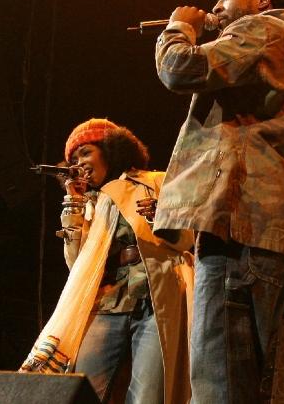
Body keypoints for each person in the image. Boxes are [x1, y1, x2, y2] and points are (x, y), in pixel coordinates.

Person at [154, 0, 284, 403]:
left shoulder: (261, 30)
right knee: (240, 387)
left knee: (218, 388)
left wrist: (178, 28)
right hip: (266, 229)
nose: (215, 6)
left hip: (237, 226)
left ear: (262, 1)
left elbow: (181, 69)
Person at [21, 118, 194, 404]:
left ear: (111, 150)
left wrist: (161, 218)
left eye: (86, 152)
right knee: (84, 389)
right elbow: (77, 267)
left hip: (154, 297)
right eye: (74, 159)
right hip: (107, 301)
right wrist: (73, 204)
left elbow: (188, 240)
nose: (80, 163)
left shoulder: (156, 181)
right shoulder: (90, 204)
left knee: (147, 396)